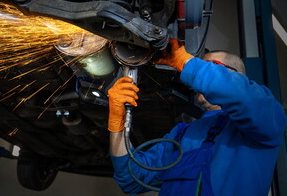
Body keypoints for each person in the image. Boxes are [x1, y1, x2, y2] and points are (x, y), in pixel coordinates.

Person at [108, 39, 286, 196]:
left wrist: (186, 62)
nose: (195, 74)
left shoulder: (265, 119)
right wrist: (118, 123)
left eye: (210, 65)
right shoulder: (181, 134)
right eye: (198, 65)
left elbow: (243, 95)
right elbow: (131, 178)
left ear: (236, 76)